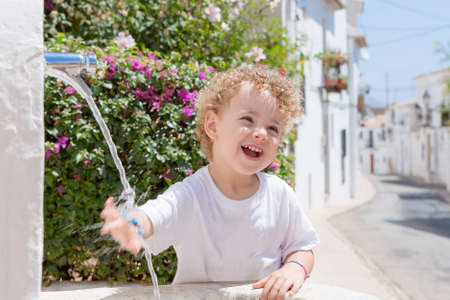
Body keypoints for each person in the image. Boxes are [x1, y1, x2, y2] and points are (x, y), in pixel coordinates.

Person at [100, 65, 319, 300]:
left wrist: (295, 268)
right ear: (213, 126)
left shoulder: (279, 195)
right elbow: (155, 214)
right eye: (248, 119)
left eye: (273, 128)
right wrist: (132, 224)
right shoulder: (191, 195)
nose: (261, 133)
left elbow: (302, 246)